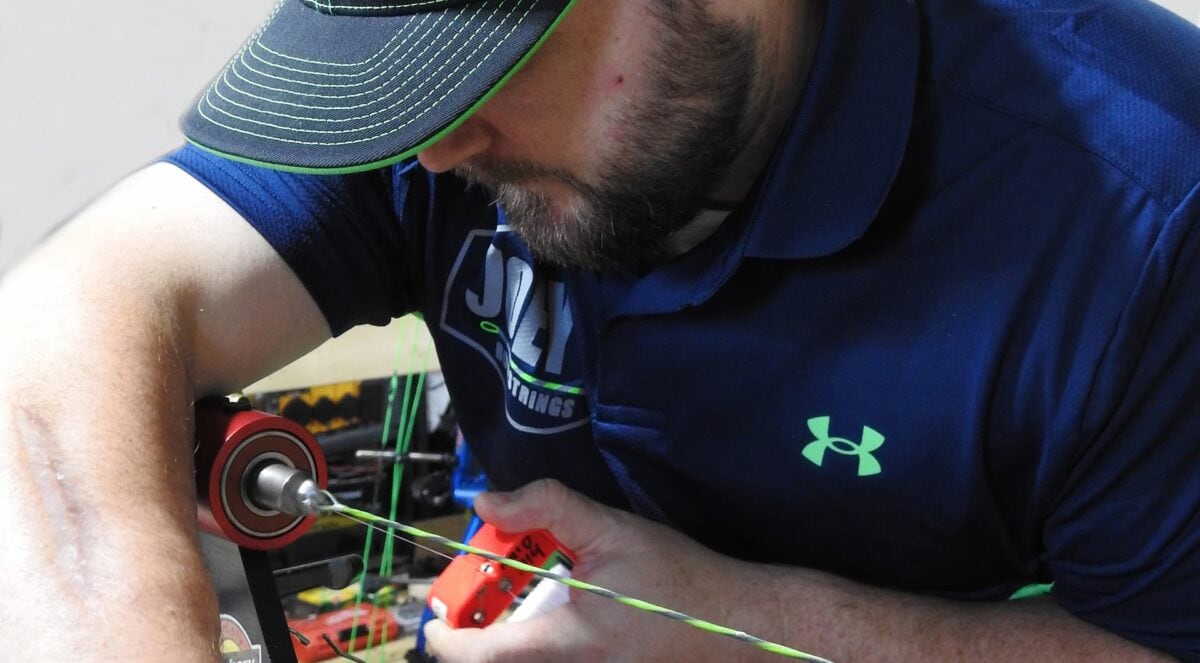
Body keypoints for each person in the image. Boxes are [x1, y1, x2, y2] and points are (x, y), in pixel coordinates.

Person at [1, 0, 1198, 660]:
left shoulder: (1146, 218)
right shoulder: (444, 127)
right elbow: (69, 318)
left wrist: (753, 630)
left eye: (482, 67)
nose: (433, 149)